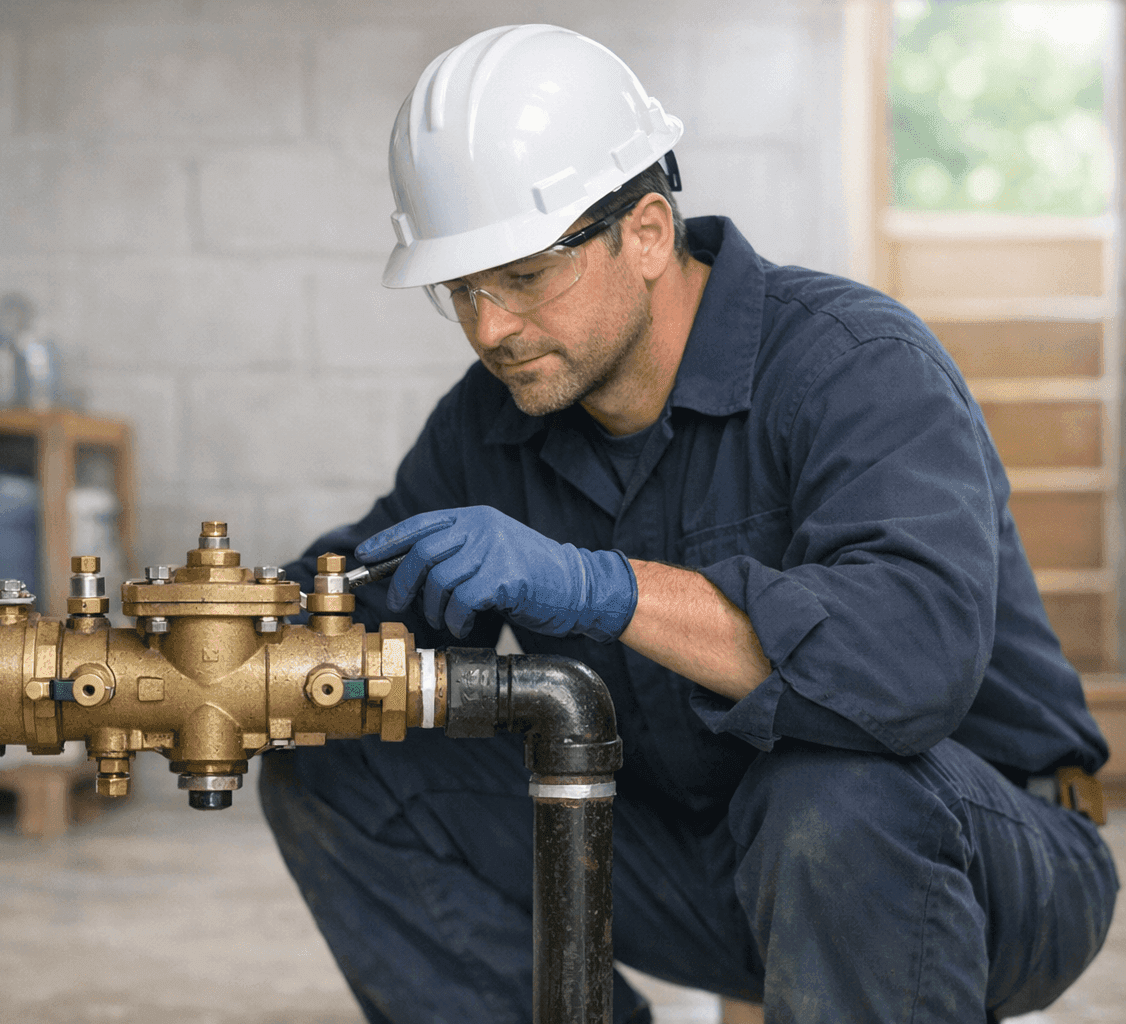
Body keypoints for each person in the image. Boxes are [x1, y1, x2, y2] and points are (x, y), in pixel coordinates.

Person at [257, 23, 1119, 1024]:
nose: (489, 328)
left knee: (832, 795)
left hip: (980, 856)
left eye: (526, 277)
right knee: (342, 761)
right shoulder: (494, 418)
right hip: (710, 860)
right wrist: (243, 629)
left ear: (650, 232)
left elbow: (909, 662)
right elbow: (373, 587)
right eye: (461, 290)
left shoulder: (851, 362)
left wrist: (602, 585)